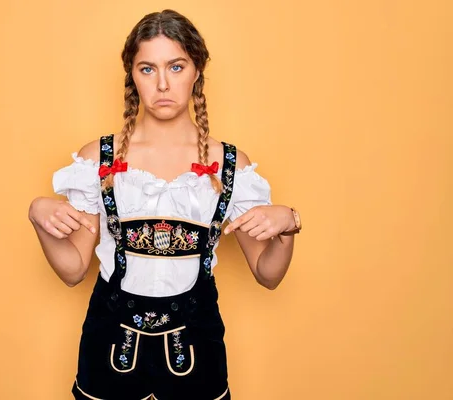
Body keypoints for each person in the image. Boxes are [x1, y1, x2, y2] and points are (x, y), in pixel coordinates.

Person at [28, 9, 302, 400]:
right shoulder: (98, 159)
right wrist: (37, 214)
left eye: (175, 66)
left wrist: (288, 224)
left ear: (197, 71)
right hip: (108, 351)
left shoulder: (229, 166)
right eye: (147, 69)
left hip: (198, 351)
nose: (161, 84)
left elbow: (268, 274)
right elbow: (73, 270)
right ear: (132, 76)